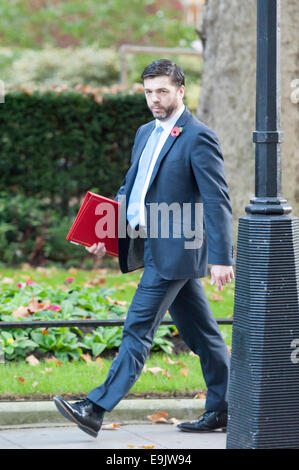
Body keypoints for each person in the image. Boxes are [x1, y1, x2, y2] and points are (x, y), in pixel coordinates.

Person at [54, 59, 235, 438]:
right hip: (150, 245)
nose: (154, 99)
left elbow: (217, 201)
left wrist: (221, 257)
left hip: (176, 251)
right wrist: (107, 232)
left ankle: (95, 406)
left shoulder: (198, 137)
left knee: (137, 327)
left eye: (162, 91)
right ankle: (224, 408)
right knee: (203, 334)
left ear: (181, 90)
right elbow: (132, 189)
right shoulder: (144, 133)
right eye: (149, 91)